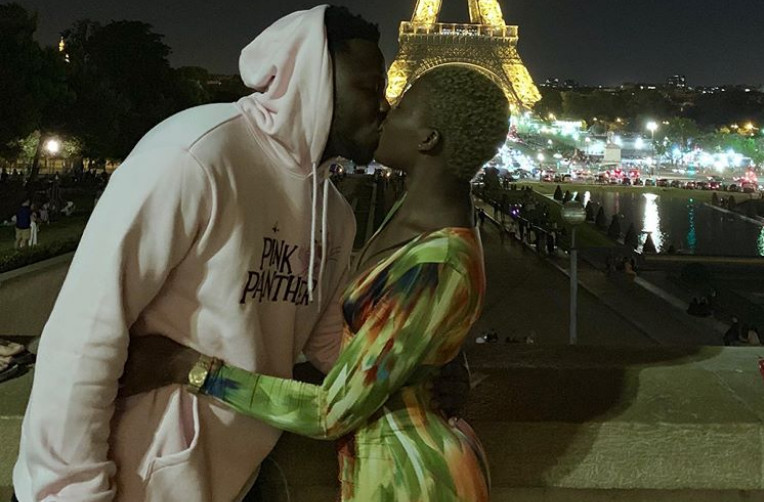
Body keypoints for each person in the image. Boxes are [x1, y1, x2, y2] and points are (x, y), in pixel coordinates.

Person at [14, 6, 391, 501]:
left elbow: (326, 344)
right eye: (368, 89)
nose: (384, 105)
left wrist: (415, 365)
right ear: (313, 80)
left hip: (228, 481)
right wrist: (68, 491)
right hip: (127, 484)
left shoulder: (336, 214)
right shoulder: (194, 156)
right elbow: (86, 331)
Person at [121, 66, 510, 501]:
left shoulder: (438, 263)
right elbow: (388, 338)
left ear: (428, 140)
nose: (384, 111)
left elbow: (331, 411)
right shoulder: (415, 216)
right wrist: (432, 358)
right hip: (392, 466)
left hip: (415, 480)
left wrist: (187, 367)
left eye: (401, 108)